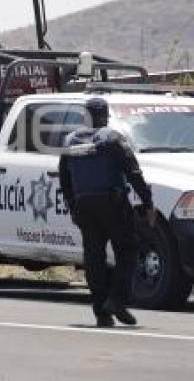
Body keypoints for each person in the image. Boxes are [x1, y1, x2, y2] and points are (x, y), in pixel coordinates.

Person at [58, 97, 156, 327]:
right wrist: (148, 203)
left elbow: (64, 179)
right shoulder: (112, 139)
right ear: (105, 116)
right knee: (128, 249)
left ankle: (102, 312)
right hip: (112, 204)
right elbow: (133, 172)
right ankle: (116, 301)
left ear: (86, 116)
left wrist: (73, 206)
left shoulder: (70, 141)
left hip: (84, 206)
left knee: (94, 259)